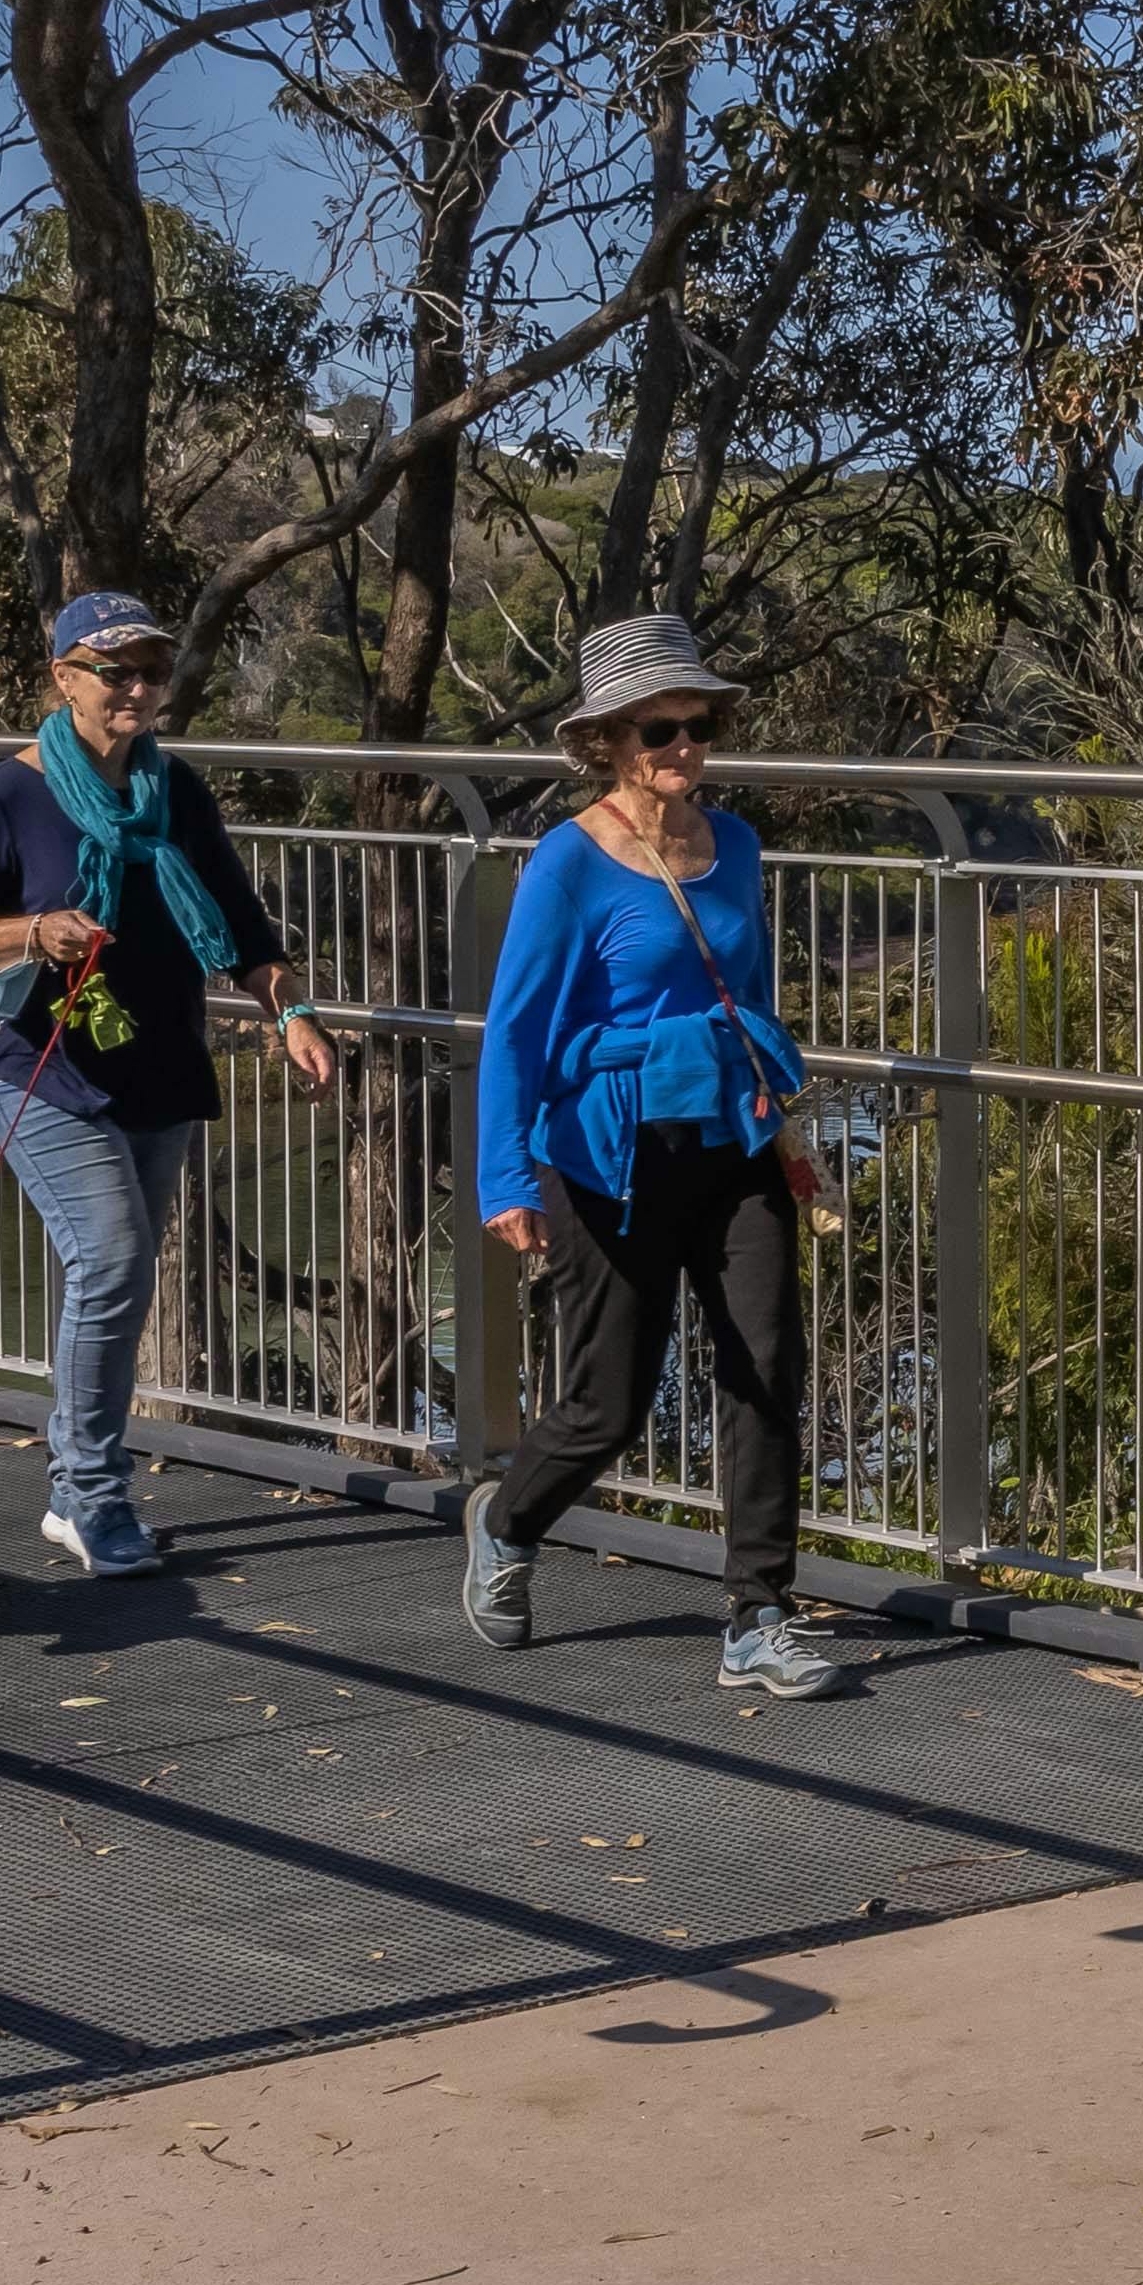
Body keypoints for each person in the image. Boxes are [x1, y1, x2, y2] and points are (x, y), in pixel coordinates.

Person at [0, 588, 338, 1576]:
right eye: (118, 671)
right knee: (108, 1261)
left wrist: (291, 1013)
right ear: (64, 679)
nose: (141, 687)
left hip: (155, 1064)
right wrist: (31, 930)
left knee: (117, 1272)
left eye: (154, 669)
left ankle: (81, 1486)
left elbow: (241, 926)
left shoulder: (175, 793)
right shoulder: (9, 794)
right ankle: (89, 1492)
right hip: (34, 1064)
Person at [463, 614, 840, 1699]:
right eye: (658, 728)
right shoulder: (567, 863)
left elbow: (750, 993)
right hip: (612, 1153)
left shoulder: (738, 844)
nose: (683, 745)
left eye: (697, 724)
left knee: (765, 1366)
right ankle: (508, 1516)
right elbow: (516, 1031)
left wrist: (783, 1126)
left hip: (732, 1134)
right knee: (607, 1402)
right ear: (609, 742)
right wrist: (503, 1181)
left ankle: (758, 1614)